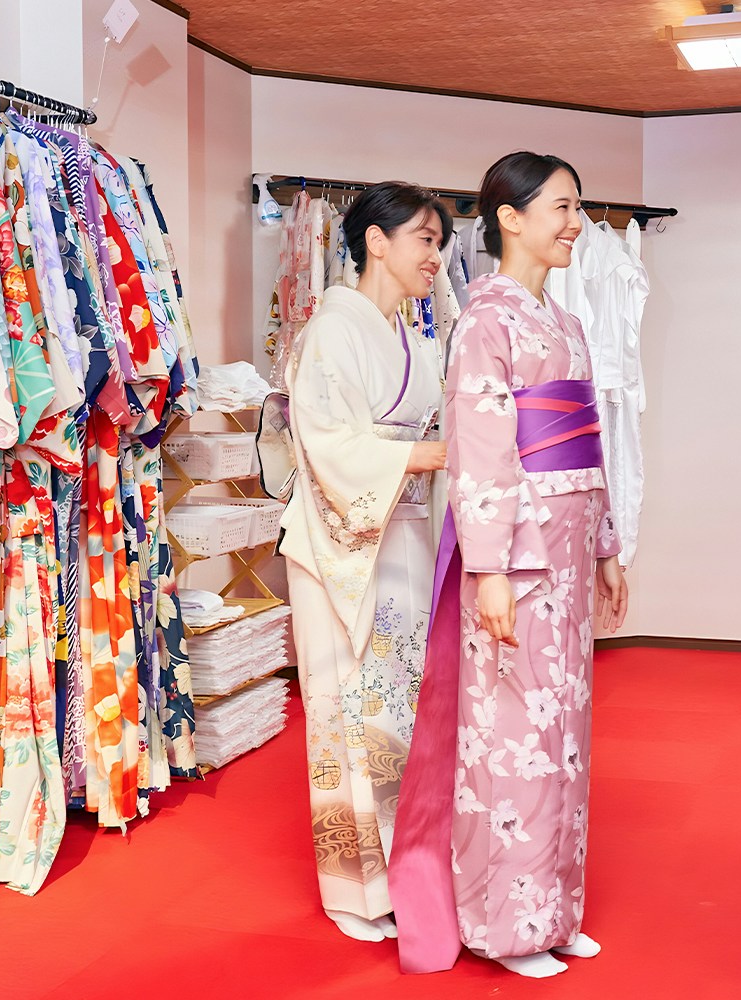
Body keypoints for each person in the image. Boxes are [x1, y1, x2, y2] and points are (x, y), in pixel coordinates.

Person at [390, 152, 629, 978]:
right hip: (518, 553)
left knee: (561, 732)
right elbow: (482, 452)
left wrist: (605, 544)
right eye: (561, 207)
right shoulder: (486, 320)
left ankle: (554, 908)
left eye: (577, 207)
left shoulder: (560, 322)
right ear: (509, 218)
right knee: (511, 734)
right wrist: (488, 567)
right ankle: (502, 923)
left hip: (564, 551)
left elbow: (588, 442)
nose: (574, 224)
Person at [278, 182, 451, 942]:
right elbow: (329, 447)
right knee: (345, 708)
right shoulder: (333, 329)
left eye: (438, 240)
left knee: (397, 707)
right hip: (338, 541)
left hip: (401, 531)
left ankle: (404, 869)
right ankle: (352, 891)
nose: (435, 256)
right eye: (422, 238)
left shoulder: (412, 332)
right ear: (375, 242)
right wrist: (430, 454)